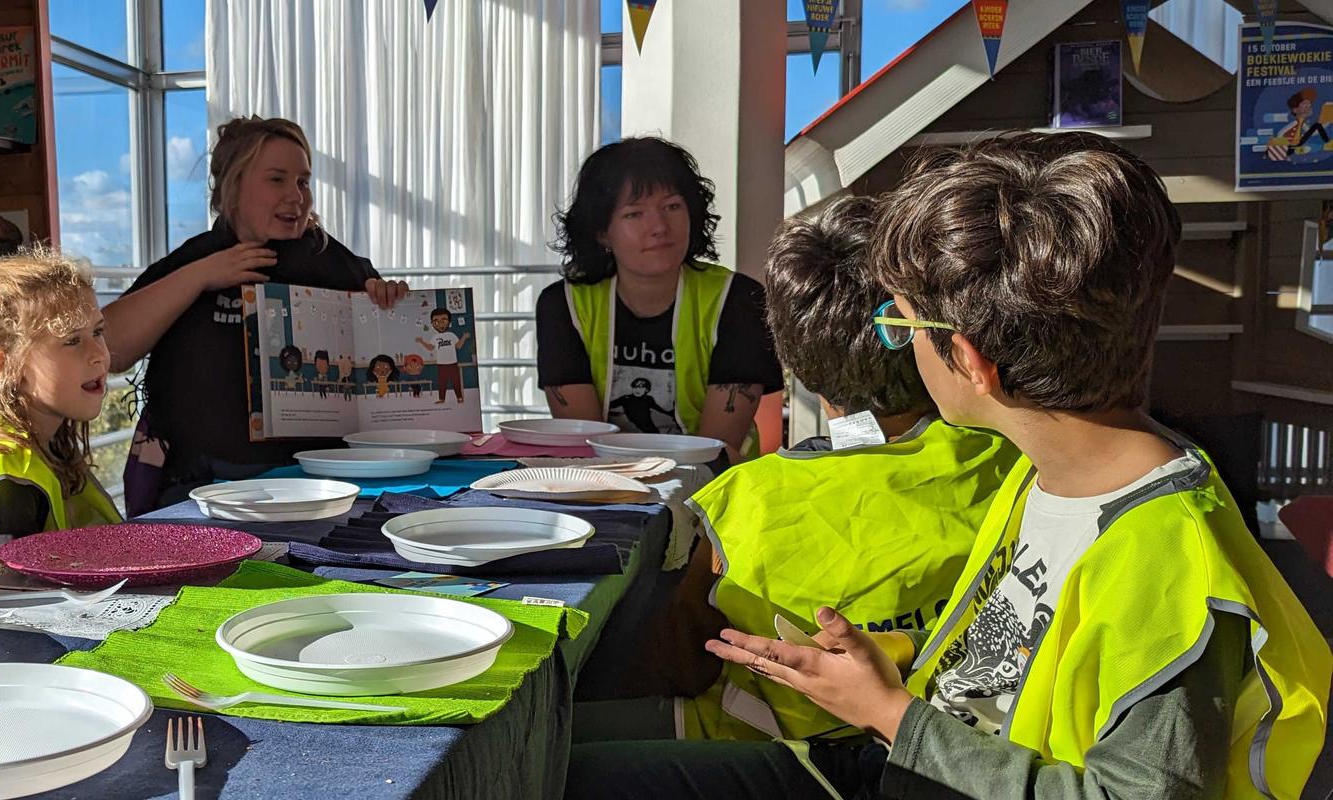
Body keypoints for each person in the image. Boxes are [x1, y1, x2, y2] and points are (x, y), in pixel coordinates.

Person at [568, 133, 1331, 799]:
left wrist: (890, 713)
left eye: (900, 323)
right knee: (548, 773)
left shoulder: (1169, 562)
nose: (897, 342)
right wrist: (888, 667)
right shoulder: (1045, 476)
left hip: (902, 760)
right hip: (890, 758)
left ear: (968, 359)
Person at [627, 196, 1021, 746]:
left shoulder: (744, 499)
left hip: (771, 757)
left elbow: (684, 665)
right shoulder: (1013, 461)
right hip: (958, 747)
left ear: (796, 365)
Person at [106, 116, 407, 514]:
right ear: (233, 185)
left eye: (303, 182)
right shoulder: (195, 259)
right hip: (203, 493)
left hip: (321, 490)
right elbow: (109, 349)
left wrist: (387, 304)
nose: (296, 197)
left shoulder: (332, 260)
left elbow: (387, 361)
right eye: (277, 179)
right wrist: (201, 277)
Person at [536, 137, 782, 463]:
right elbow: (585, 445)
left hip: (713, 490)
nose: (659, 227)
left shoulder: (739, 300)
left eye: (672, 207)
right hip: (603, 485)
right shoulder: (563, 306)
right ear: (601, 232)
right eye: (635, 214)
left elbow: (714, 450)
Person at [0, 247, 121, 542]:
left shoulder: (52, 449)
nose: (98, 355)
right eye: (72, 341)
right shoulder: (13, 482)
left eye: (97, 332)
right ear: (6, 366)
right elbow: (12, 587)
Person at [415, 307, 468, 404]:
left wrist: (464, 338)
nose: (440, 324)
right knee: (442, 382)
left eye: (443, 321)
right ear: (432, 324)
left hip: (452, 363)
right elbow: (430, 348)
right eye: (436, 321)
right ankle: (442, 399)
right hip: (441, 364)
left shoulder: (451, 335)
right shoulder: (435, 337)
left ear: (449, 322)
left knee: (456, 381)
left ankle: (459, 398)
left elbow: (459, 346)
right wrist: (422, 342)